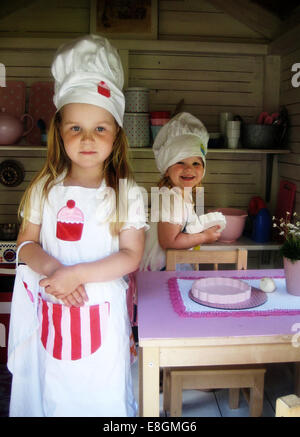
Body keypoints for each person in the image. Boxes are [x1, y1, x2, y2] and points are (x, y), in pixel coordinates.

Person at [8, 34, 148, 417]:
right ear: (59, 131)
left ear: (116, 132)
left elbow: (131, 255)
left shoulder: (127, 192)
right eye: (75, 128)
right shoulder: (44, 189)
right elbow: (24, 245)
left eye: (100, 128)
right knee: (58, 395)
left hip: (103, 310)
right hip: (55, 304)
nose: (87, 139)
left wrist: (77, 275)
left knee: (104, 399)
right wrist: (56, 271)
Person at [141, 112, 225, 271]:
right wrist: (204, 237)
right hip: (162, 271)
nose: (189, 169)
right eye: (180, 162)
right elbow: (169, 242)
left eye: (196, 163)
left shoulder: (182, 196)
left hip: (174, 265)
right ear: (166, 169)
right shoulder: (171, 199)